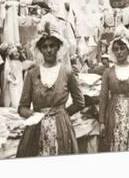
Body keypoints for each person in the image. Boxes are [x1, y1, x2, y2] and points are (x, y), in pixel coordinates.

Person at [16, 22, 85, 157]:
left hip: (61, 129)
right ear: (40, 50)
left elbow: (79, 102)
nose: (48, 50)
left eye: (52, 46)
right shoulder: (31, 74)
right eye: (44, 46)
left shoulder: (67, 72)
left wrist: (62, 114)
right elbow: (22, 107)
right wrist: (33, 115)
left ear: (58, 47)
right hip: (36, 129)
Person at [99, 26, 129, 152]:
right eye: (116, 49)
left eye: (122, 48)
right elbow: (103, 97)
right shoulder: (108, 72)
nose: (119, 52)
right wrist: (102, 121)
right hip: (112, 114)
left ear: (128, 49)